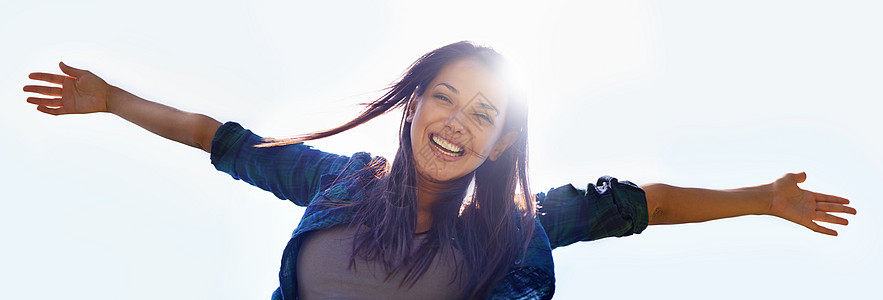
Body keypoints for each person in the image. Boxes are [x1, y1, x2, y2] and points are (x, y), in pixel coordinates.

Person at [24, 41, 855, 299]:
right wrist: (113, 99)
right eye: (445, 99)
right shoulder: (334, 179)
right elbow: (225, 140)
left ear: (497, 144)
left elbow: (647, 204)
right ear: (413, 105)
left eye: (484, 115)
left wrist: (763, 200)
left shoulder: (519, 224)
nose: (458, 122)